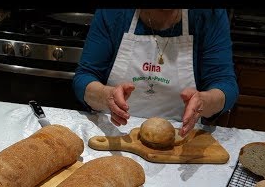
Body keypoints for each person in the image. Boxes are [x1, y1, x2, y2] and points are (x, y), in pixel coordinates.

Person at [72, 9, 239, 137]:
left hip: (181, 139)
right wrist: (104, 96)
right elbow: (84, 77)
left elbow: (225, 85)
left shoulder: (209, 14)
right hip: (114, 133)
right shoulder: (114, 12)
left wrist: (205, 101)